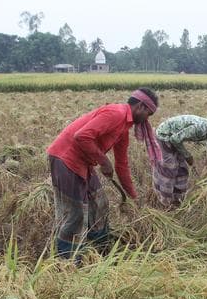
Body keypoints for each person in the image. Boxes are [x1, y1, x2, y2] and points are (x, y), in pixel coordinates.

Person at [46, 88, 159, 259]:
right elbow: (81, 136)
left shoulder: (123, 128)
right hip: (65, 158)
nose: (147, 120)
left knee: (100, 203)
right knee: (75, 214)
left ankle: (101, 248)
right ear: (141, 107)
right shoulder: (116, 113)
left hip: (84, 162)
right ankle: (66, 261)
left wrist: (132, 196)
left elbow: (122, 165)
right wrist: (104, 161)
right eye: (148, 114)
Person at [151, 111, 207, 207]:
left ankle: (178, 199)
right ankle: (166, 202)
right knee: (170, 169)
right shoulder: (200, 128)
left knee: (183, 170)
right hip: (164, 136)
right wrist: (187, 156)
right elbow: (175, 139)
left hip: (175, 139)